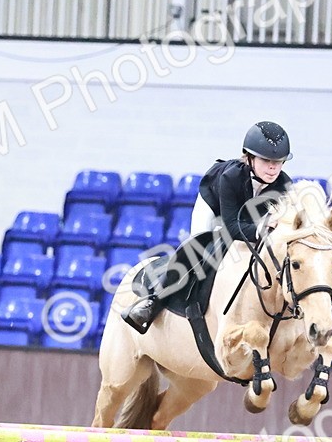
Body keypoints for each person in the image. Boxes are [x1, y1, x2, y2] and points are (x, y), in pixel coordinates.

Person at [122, 121, 295, 334]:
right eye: (266, 160)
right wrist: (261, 229)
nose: (273, 167)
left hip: (249, 220)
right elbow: (231, 227)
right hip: (216, 210)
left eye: (278, 162)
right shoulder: (230, 177)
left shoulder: (285, 186)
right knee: (198, 248)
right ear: (249, 158)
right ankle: (153, 301)